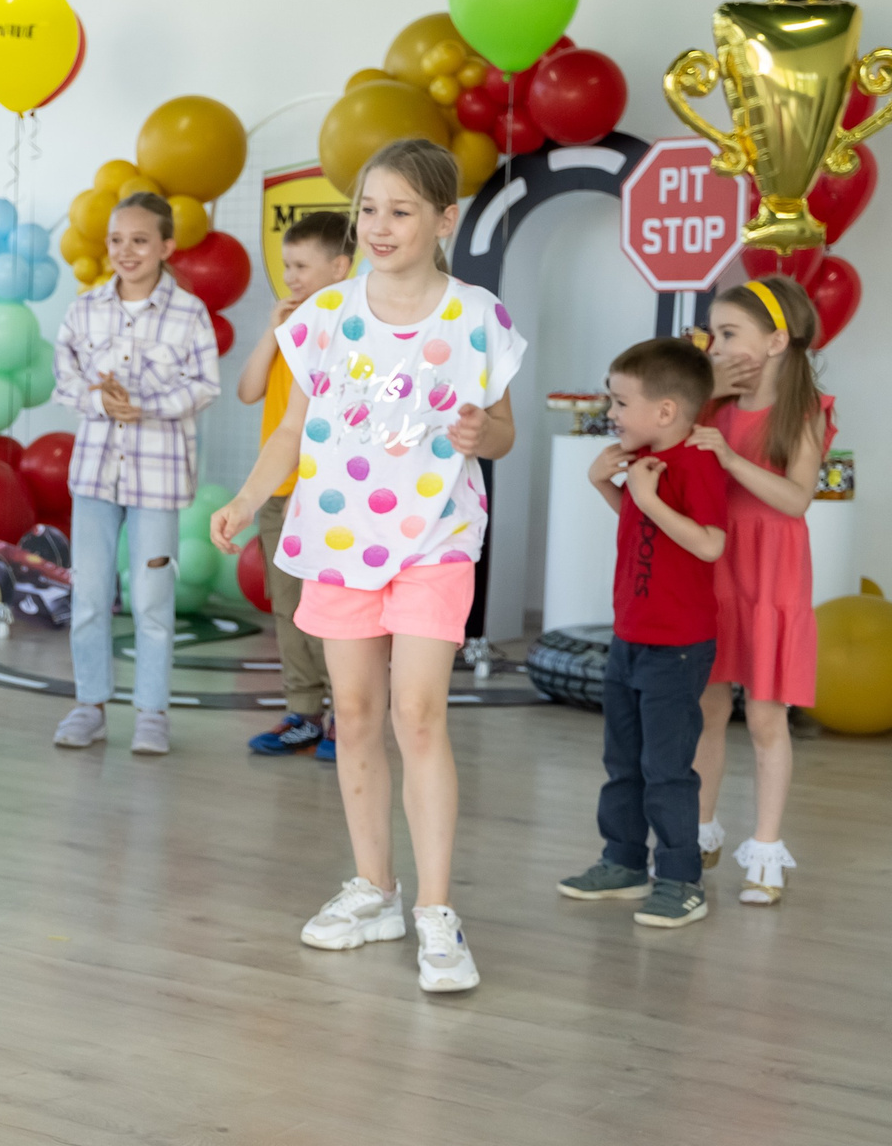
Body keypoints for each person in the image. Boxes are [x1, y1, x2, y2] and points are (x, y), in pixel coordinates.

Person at [211, 139, 523, 994]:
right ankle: (373, 889)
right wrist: (244, 500)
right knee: (353, 712)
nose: (380, 227)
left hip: (435, 540)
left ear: (444, 220)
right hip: (336, 539)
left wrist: (478, 436)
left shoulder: (476, 317)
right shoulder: (321, 319)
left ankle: (435, 910)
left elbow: (503, 429)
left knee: (418, 716)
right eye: (370, 210)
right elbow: (288, 432)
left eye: (401, 211)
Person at [557, 339, 729, 928]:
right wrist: (608, 486)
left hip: (677, 647)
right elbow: (648, 532)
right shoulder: (645, 465)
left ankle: (681, 880)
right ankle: (624, 861)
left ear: (664, 412)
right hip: (629, 638)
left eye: (620, 401)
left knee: (667, 767)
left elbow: (708, 543)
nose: (611, 413)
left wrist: (647, 495)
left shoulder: (696, 465)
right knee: (622, 759)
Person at [49, 194, 222, 756]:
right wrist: (103, 405)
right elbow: (65, 375)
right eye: (117, 240)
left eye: (140, 241)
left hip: (159, 481)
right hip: (94, 478)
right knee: (91, 595)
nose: (127, 251)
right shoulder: (85, 309)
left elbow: (205, 386)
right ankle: (89, 706)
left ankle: (152, 712)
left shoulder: (189, 314)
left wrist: (145, 406)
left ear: (167, 247)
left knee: (151, 597)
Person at [690, 277, 834, 904]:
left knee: (768, 717)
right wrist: (705, 397)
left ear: (776, 341)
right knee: (709, 708)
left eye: (728, 334)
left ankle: (766, 855)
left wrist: (729, 458)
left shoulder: (806, 410)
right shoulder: (712, 403)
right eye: (713, 334)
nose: (716, 346)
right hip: (717, 563)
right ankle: (697, 832)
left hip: (772, 567)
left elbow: (796, 499)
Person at [237, 210, 351, 760]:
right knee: (288, 607)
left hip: (330, 498)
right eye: (288, 265)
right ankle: (303, 712)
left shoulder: (351, 329)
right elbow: (248, 390)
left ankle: (342, 716)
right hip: (279, 493)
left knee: (333, 611)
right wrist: (271, 331)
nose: (292, 277)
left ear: (341, 267)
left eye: (303, 266)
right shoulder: (290, 329)